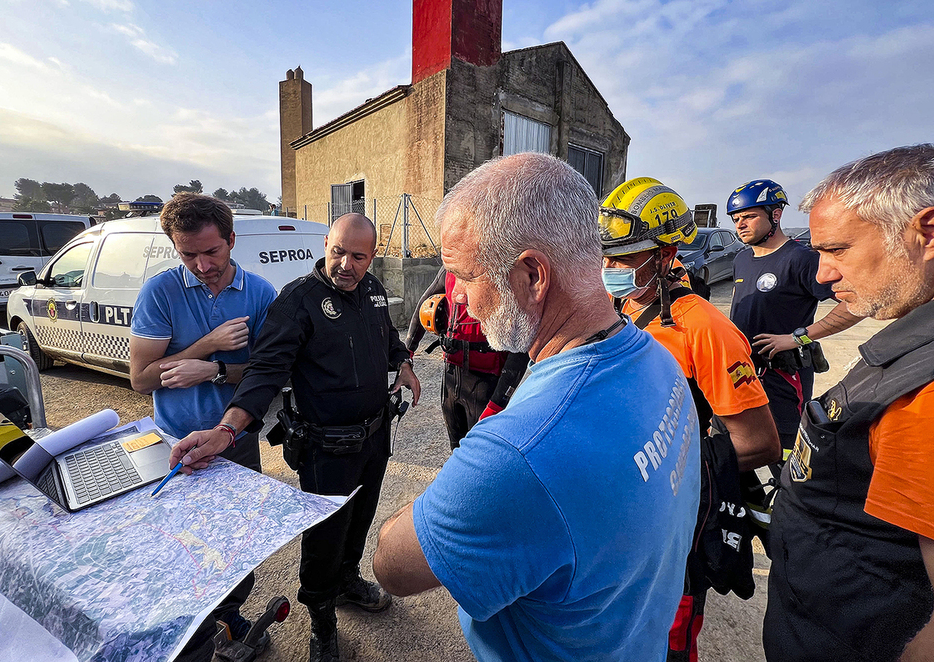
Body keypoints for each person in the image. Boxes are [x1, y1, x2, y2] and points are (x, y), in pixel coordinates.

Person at [372, 153, 701, 661]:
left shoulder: (515, 455)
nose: (459, 298)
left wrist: (461, 486)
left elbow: (391, 569)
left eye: (465, 276)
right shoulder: (657, 359)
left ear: (532, 274)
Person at [169, 213, 421, 662]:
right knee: (325, 535)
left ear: (371, 256)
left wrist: (402, 363)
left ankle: (346, 581)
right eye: (338, 251)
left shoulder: (375, 292)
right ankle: (322, 618)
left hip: (373, 439)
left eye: (358, 256)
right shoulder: (298, 301)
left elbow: (389, 341)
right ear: (326, 243)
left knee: (360, 519)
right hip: (327, 449)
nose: (346, 264)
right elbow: (266, 371)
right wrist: (228, 429)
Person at [598, 177, 781, 662]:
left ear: (664, 254)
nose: (608, 269)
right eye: (605, 256)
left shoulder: (703, 327)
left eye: (622, 257)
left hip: (672, 517)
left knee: (666, 641)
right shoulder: (620, 307)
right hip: (619, 509)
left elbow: (761, 443)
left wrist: (661, 465)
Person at [764, 144, 934, 661]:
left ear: (926, 233)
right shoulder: (908, 348)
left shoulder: (922, 395)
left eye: (837, 250)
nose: (822, 274)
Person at [128, 193, 278, 651]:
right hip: (172, 443)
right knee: (182, 545)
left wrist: (213, 371)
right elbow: (141, 379)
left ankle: (230, 620)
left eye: (211, 252)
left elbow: (271, 372)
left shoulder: (260, 294)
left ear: (231, 240)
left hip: (234, 440)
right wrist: (206, 345)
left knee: (238, 542)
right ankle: (191, 629)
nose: (201, 265)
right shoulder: (160, 292)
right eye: (187, 254)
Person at [727, 179, 862, 459]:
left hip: (784, 377)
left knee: (786, 450)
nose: (740, 224)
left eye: (749, 216)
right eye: (736, 218)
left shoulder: (801, 259)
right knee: (743, 445)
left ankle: (785, 499)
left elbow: (856, 303)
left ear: (775, 215)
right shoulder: (741, 259)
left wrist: (797, 337)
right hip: (743, 373)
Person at [405, 267, 529, 448]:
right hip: (451, 377)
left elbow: (521, 345)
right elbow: (424, 302)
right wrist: (407, 354)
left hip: (486, 382)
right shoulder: (451, 267)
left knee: (483, 454)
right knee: (456, 450)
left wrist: (498, 401)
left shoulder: (505, 270)